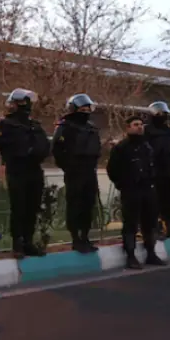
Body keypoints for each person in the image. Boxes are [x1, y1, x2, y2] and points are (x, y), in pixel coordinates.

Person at [0, 88, 50, 259]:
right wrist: (24, 150)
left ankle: (28, 242)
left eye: (27, 102)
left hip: (34, 170)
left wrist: (36, 152)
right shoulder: (3, 124)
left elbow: (45, 146)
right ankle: (17, 243)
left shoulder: (35, 125)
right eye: (22, 102)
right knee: (19, 207)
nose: (26, 106)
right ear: (14, 104)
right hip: (17, 170)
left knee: (32, 207)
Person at [106, 116, 166, 269]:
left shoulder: (147, 146)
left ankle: (151, 253)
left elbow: (154, 166)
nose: (139, 127)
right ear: (128, 128)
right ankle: (131, 256)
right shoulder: (121, 148)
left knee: (150, 222)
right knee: (131, 223)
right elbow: (112, 170)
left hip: (148, 189)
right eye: (135, 125)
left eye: (141, 124)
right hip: (131, 191)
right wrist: (123, 185)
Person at [52, 94, 101, 253]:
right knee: (75, 205)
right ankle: (76, 239)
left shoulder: (91, 128)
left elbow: (97, 148)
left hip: (90, 171)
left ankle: (85, 236)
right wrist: (69, 167)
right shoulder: (65, 126)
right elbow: (57, 150)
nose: (85, 112)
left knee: (88, 205)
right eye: (82, 109)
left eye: (88, 109)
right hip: (74, 171)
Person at [144, 101, 170, 239]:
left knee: (167, 201)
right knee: (154, 202)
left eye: (164, 113)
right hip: (155, 171)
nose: (163, 116)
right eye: (160, 113)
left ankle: (168, 228)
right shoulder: (147, 130)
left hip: (169, 170)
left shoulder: (169, 131)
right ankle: (155, 228)